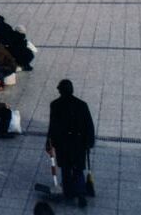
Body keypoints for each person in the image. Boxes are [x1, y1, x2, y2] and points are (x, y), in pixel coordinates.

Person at [46, 79, 95, 207]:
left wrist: (49, 142)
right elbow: (89, 124)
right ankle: (80, 193)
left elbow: (53, 126)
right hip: (79, 143)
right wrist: (90, 141)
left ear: (60, 91)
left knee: (66, 168)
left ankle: (69, 191)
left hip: (63, 143)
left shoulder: (55, 105)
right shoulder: (82, 105)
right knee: (78, 168)